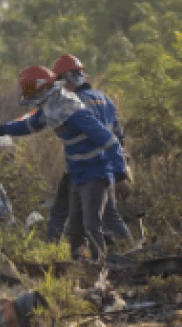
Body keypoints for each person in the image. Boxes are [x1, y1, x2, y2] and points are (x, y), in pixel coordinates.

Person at [0, 65, 120, 261]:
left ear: (42, 90)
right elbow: (26, 126)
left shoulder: (73, 111)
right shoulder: (51, 107)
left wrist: (120, 172)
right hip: (77, 174)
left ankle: (102, 265)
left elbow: (109, 140)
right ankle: (81, 265)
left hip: (96, 171)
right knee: (75, 227)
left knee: (91, 224)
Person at [51, 54, 132, 245]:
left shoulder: (75, 103)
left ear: (69, 78)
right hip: (107, 164)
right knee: (105, 214)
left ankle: (123, 250)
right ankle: (119, 249)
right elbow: (119, 135)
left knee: (103, 216)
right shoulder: (103, 98)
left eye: (60, 81)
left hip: (91, 168)